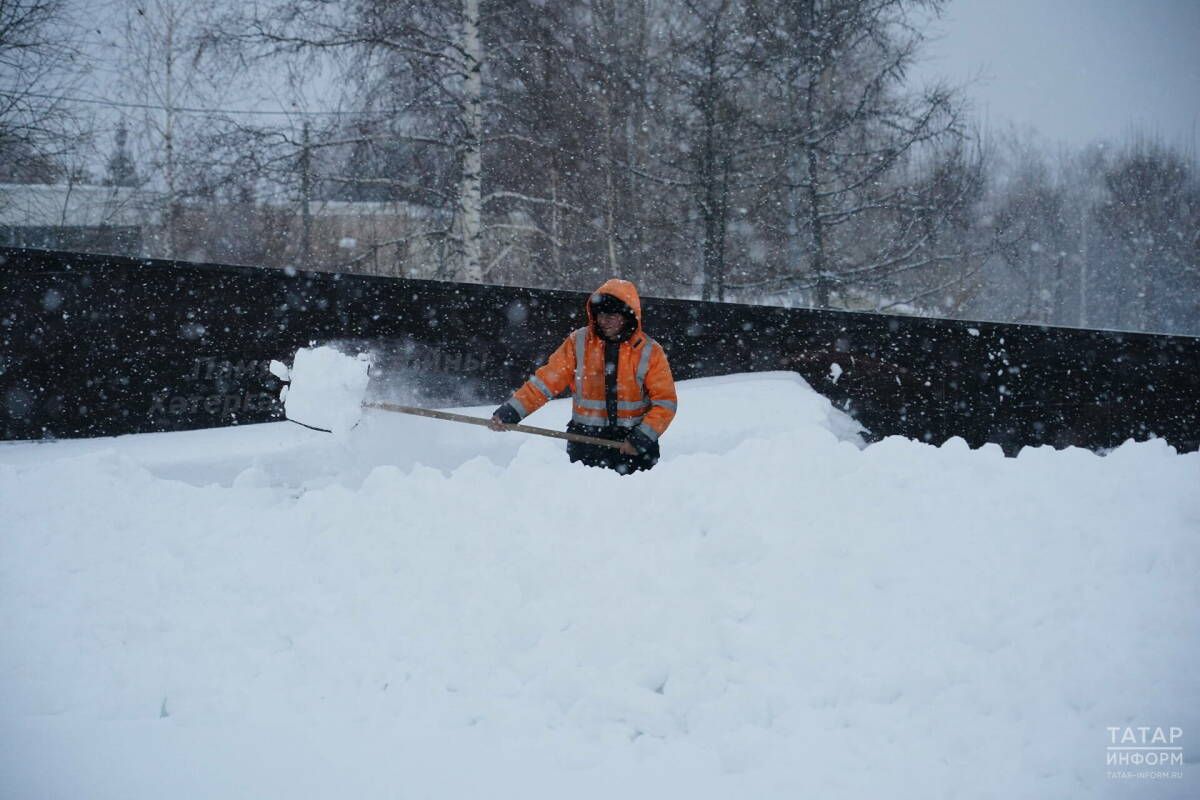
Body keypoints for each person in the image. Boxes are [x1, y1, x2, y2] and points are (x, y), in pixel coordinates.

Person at [489, 278, 677, 474]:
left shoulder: (649, 351)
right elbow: (545, 382)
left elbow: (665, 403)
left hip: (633, 449)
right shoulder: (578, 342)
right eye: (600, 315)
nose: (603, 321)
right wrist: (511, 412)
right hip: (586, 445)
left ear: (627, 315)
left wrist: (642, 437)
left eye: (611, 316)